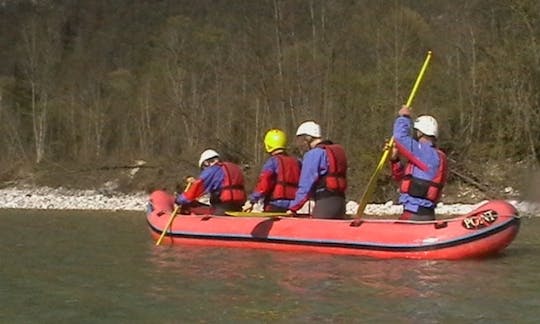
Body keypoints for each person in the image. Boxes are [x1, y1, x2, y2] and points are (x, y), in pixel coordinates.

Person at [389, 105, 448, 221]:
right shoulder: (433, 156)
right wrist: (395, 160)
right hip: (423, 213)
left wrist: (404, 117)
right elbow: (401, 178)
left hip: (415, 214)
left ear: (420, 132)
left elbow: (399, 137)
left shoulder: (424, 153)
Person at [287, 121, 347, 219]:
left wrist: (293, 207)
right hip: (341, 203)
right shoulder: (333, 151)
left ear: (308, 138)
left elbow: (305, 186)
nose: (301, 143)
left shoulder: (314, 154)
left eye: (302, 139)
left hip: (325, 203)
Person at [243, 129, 301, 212]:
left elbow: (264, 184)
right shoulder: (297, 162)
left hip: (274, 204)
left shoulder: (273, 161)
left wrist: (252, 200)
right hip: (292, 205)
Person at [175, 149, 247, 216]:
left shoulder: (212, 170)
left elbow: (196, 189)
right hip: (238, 207)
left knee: (189, 205)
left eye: (203, 168)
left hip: (221, 209)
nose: (204, 171)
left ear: (206, 163)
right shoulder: (234, 168)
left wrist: (179, 200)